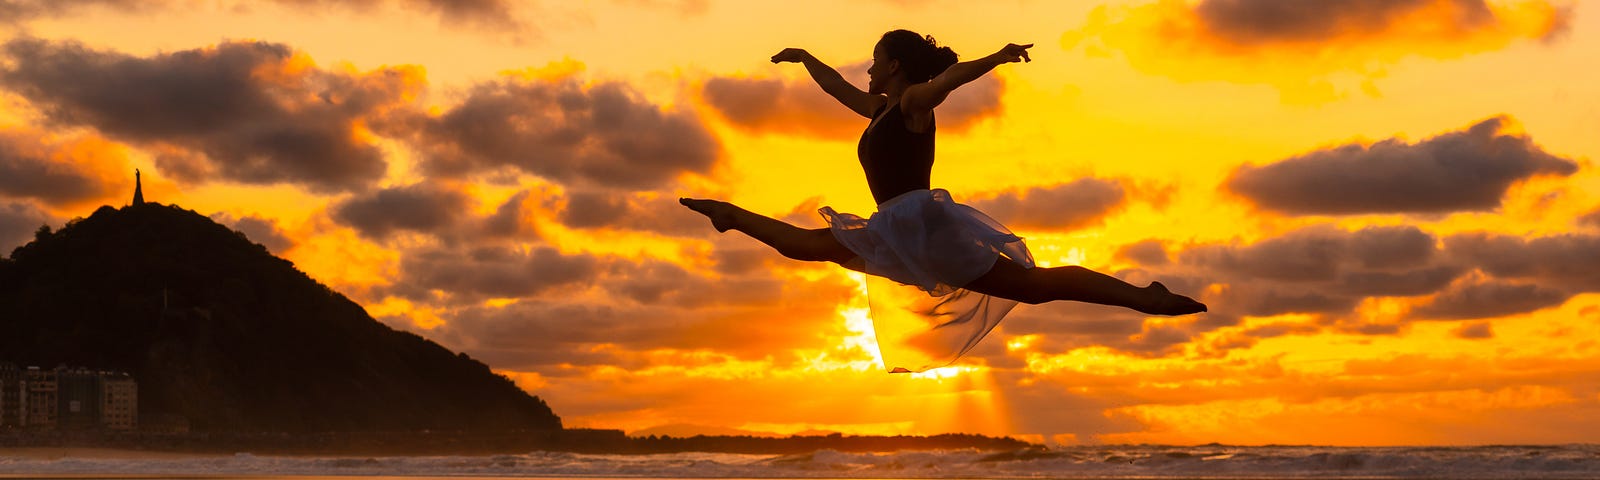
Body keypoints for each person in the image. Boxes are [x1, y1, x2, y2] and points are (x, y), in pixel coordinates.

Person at [682, 30, 1205, 372]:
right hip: (896, 226)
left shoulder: (911, 101)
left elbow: (947, 81)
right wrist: (804, 59)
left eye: (876, 61)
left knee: (1032, 287)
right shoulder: (880, 107)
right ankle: (731, 215)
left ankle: (1144, 297)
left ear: (896, 67)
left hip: (918, 223)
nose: (869, 70)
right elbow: (839, 89)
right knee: (809, 248)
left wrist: (997, 58)